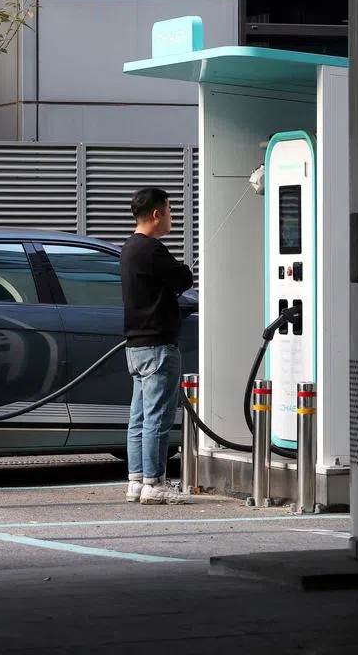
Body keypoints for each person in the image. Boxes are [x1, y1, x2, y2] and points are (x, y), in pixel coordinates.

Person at [121, 187, 194, 505]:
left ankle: (136, 481)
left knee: (138, 416)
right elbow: (183, 278)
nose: (172, 217)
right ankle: (155, 483)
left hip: (135, 345)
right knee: (157, 418)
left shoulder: (129, 248)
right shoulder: (152, 250)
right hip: (158, 347)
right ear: (156, 214)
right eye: (169, 210)